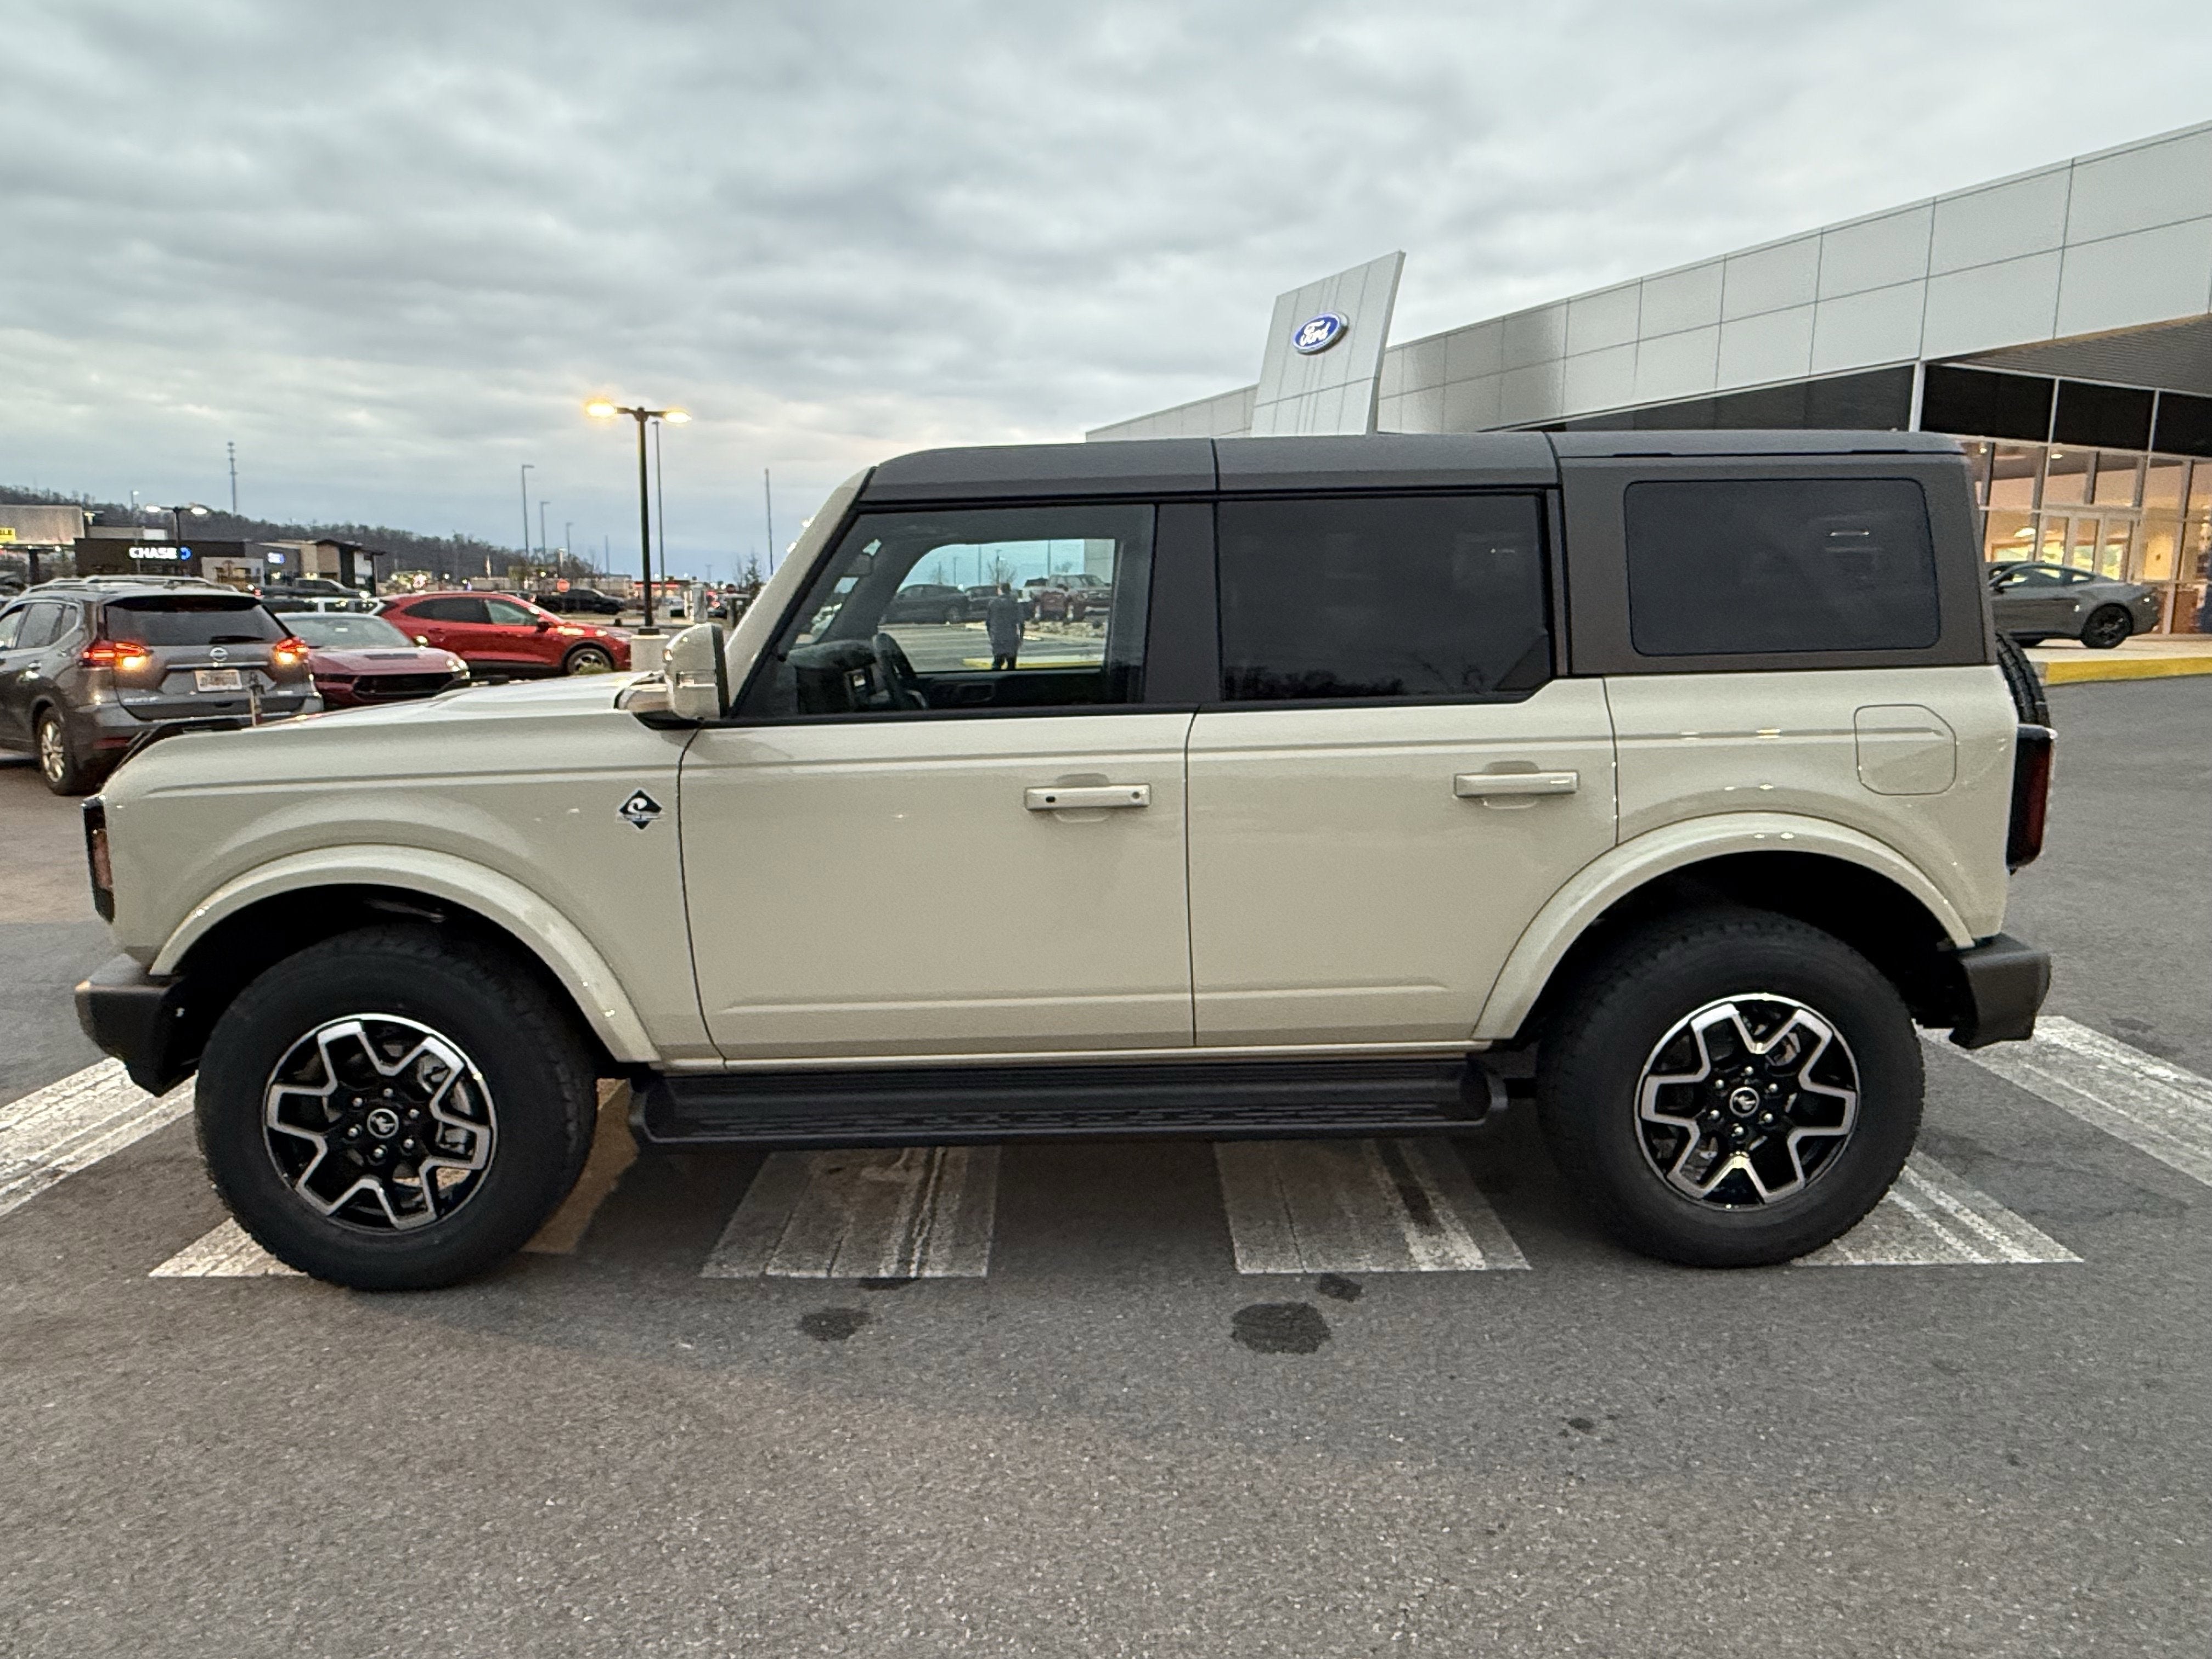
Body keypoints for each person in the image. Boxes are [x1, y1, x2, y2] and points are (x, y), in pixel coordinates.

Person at [985, 582, 1023, 671]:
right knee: (1011, 665)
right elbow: (1021, 623)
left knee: (997, 663)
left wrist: (991, 636)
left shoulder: (993, 603)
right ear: (1009, 591)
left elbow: (988, 623)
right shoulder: (1015, 604)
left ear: (999, 590)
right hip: (1011, 638)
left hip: (997, 637)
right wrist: (1020, 638)